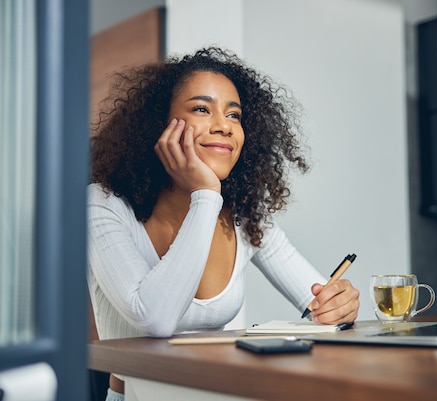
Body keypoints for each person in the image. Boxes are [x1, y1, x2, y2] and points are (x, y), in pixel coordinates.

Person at [87, 46, 360, 401]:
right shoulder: (103, 204)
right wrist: (205, 194)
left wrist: (339, 306)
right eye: (202, 109)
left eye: (234, 116)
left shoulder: (246, 218)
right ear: (158, 125)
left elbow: (320, 307)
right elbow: (154, 319)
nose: (224, 127)